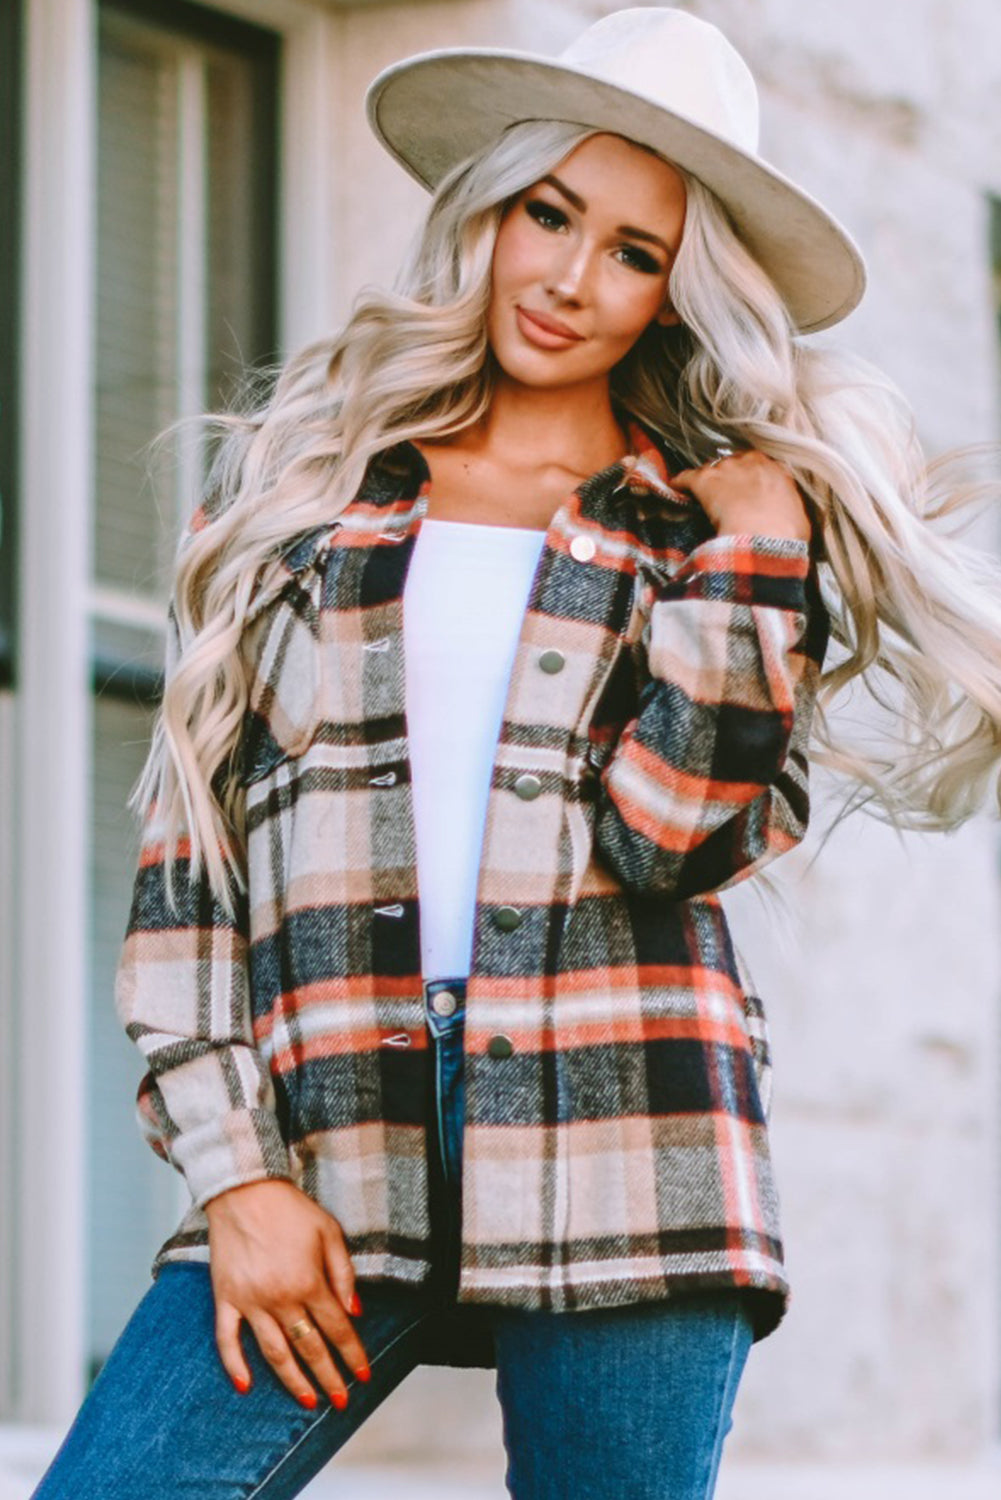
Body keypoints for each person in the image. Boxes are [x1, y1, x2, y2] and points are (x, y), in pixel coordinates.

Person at [32, 8, 1001, 1500]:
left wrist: (750, 567)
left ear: (679, 297)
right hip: (329, 1149)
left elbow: (671, 842)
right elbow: (189, 871)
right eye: (549, 212)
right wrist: (234, 1176)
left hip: (630, 1145)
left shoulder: (699, 526)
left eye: (633, 250)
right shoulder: (303, 501)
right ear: (489, 207)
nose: (567, 277)